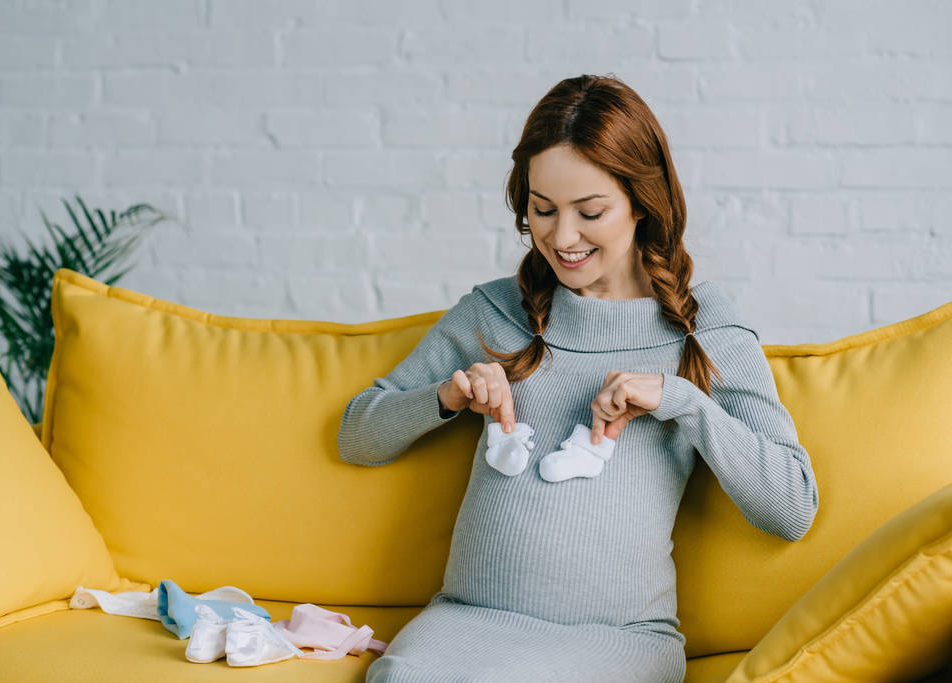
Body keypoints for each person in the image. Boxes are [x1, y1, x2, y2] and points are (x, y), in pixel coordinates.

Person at [336, 73, 820, 683]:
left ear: (644, 202)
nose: (561, 238)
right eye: (542, 210)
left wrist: (682, 401)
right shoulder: (494, 312)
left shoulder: (705, 328)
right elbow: (357, 434)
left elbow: (792, 507)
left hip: (619, 641)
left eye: (590, 212)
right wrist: (446, 395)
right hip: (469, 620)